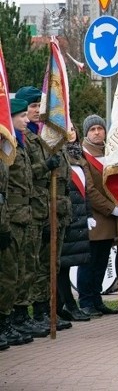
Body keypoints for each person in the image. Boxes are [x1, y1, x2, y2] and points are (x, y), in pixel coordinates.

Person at [14, 86, 70, 331]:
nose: (36, 111)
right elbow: (26, 175)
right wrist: (46, 166)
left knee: (48, 264)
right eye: (32, 106)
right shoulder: (22, 138)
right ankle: (29, 314)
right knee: (31, 266)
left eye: (39, 106)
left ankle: (43, 310)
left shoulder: (46, 134)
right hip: (31, 209)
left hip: (48, 208)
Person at [0, 98, 38, 345]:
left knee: (19, 271)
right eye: (21, 115)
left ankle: (12, 319)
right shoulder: (8, 146)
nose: (27, 119)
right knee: (7, 273)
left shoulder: (17, 145)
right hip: (10, 215)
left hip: (21, 214)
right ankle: (4, 322)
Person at [76, 114, 118, 319]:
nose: (97, 132)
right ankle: (85, 301)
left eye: (100, 129)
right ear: (86, 133)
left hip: (109, 215)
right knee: (89, 261)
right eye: (92, 129)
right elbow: (89, 190)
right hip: (93, 215)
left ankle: (96, 299)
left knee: (102, 260)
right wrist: (111, 208)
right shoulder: (82, 155)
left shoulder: (110, 152)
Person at [57, 126, 94, 321]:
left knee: (69, 263)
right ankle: (68, 304)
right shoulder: (59, 155)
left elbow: (86, 190)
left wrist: (88, 214)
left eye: (72, 128)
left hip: (79, 217)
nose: (70, 132)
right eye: (66, 128)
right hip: (66, 216)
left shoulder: (79, 156)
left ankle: (62, 305)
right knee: (62, 264)